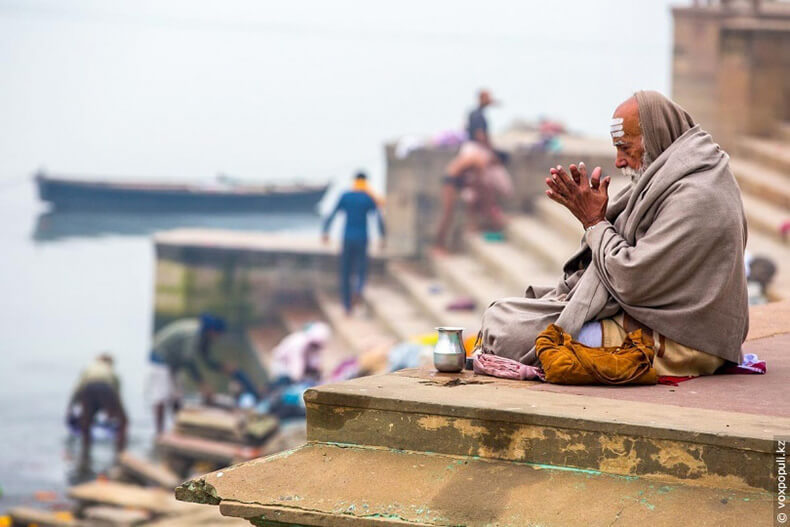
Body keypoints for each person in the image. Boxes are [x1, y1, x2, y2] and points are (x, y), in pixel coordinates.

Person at [477, 91, 749, 377]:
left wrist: (594, 221)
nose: (618, 161)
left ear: (655, 138)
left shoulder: (697, 194)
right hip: (654, 316)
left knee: (507, 331)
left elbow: (631, 279)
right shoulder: (677, 175)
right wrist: (595, 219)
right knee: (506, 310)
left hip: (684, 342)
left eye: (625, 148)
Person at [146, 313, 258, 434]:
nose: (218, 338)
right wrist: (202, 384)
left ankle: (179, 428)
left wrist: (222, 367)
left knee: (177, 396)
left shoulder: (204, 337)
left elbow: (206, 359)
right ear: (212, 331)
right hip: (160, 358)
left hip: (175, 362)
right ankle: (159, 433)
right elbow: (188, 360)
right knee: (162, 395)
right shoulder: (194, 333)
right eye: (217, 334)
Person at [322, 172, 386, 315]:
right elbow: (378, 218)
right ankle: (358, 290)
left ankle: (346, 306)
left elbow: (332, 214)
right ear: (365, 181)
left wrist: (326, 232)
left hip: (347, 238)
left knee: (345, 271)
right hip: (362, 238)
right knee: (361, 269)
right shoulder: (369, 198)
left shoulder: (346, 196)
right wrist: (382, 236)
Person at [434, 143, 512, 252]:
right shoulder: (482, 160)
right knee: (447, 215)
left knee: (475, 197)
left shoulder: (480, 157)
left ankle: (476, 224)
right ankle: (438, 247)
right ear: (496, 160)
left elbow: (473, 181)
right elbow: (478, 182)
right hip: (451, 181)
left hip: (457, 181)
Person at [67, 353, 127, 464]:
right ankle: (120, 451)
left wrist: (69, 409)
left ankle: (85, 451)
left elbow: (76, 388)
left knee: (86, 421)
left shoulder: (89, 368)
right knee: (123, 421)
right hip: (105, 388)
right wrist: (115, 413)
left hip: (88, 388)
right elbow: (117, 395)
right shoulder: (111, 371)